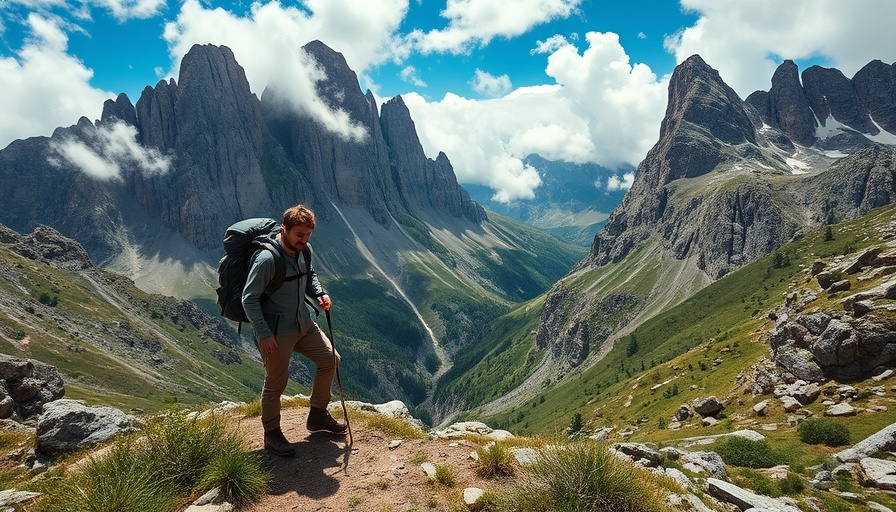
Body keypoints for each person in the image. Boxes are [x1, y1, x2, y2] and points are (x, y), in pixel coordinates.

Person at [242, 204, 347, 457]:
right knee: (275, 384)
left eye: (308, 235)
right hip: (277, 332)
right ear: (285, 229)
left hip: (303, 322)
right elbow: (249, 298)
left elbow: (310, 275)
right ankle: (272, 434)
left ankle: (317, 415)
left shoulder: (304, 250)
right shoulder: (267, 259)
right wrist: (264, 334)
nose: (305, 240)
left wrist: (320, 293)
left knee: (330, 360)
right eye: (300, 234)